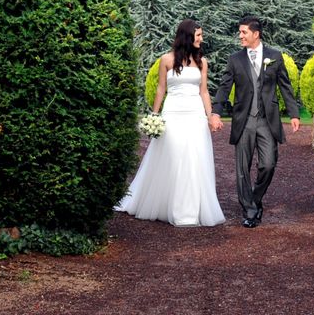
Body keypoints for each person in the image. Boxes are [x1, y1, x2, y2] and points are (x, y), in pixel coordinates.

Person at [116, 19, 225, 227]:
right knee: (173, 156)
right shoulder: (166, 59)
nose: (202, 39)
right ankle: (167, 204)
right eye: (198, 35)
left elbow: (203, 91)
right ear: (187, 36)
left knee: (196, 158)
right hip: (173, 113)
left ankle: (191, 210)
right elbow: (160, 89)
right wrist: (154, 116)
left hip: (194, 114)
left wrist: (210, 115)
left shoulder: (202, 61)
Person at [209, 16, 299, 228]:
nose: (240, 36)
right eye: (240, 32)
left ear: (255, 34)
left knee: (268, 164)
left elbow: (285, 86)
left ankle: (255, 200)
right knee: (242, 169)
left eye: (244, 32)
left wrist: (294, 113)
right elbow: (224, 87)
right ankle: (250, 210)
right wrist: (215, 112)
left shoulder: (274, 56)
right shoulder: (235, 59)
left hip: (267, 121)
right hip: (244, 120)